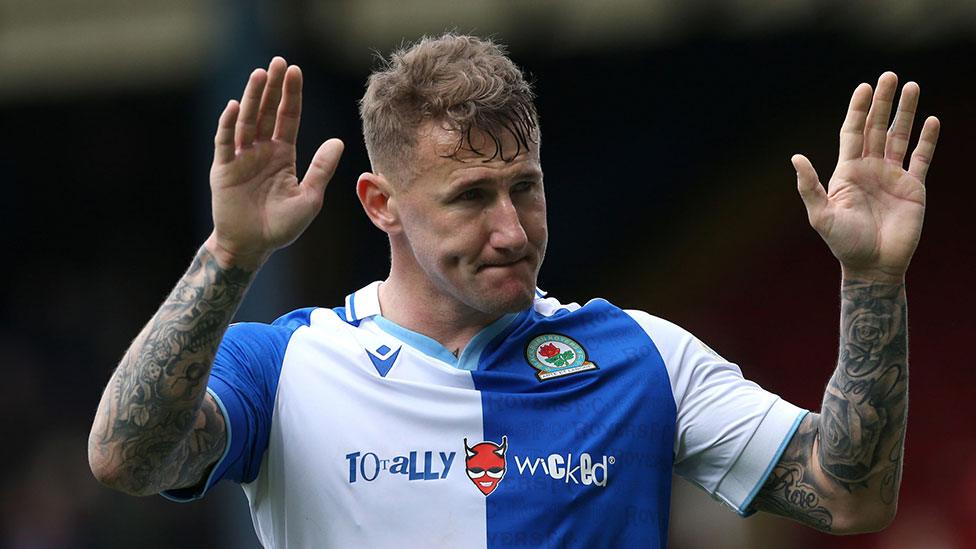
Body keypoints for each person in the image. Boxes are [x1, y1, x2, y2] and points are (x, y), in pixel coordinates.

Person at [87, 34, 940, 548]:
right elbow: (126, 457)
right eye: (469, 197)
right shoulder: (284, 364)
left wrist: (871, 279)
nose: (512, 229)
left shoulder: (641, 355)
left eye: (523, 187)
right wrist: (231, 253)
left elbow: (850, 494)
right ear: (382, 204)